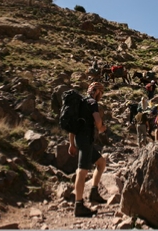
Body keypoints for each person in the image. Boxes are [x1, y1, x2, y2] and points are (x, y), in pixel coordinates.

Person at [68, 82, 107, 217]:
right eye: (101, 93)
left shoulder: (80, 103)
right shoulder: (91, 102)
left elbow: (72, 126)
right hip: (85, 140)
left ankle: (93, 193)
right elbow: (97, 120)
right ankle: (78, 205)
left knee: (101, 163)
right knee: (82, 171)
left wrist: (71, 143)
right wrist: (101, 128)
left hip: (81, 140)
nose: (100, 96)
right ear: (98, 92)